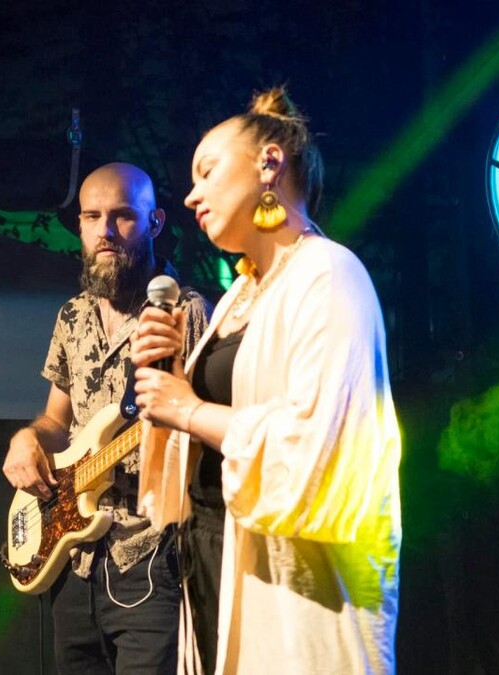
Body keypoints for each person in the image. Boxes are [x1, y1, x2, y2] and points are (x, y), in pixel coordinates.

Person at [131, 87, 401, 674]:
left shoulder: (329, 275)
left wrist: (188, 410)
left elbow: (322, 448)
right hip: (217, 562)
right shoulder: (239, 296)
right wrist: (170, 376)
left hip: (297, 590)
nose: (191, 194)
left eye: (207, 171)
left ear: (269, 163)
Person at [3, 162, 210, 674]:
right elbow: (56, 421)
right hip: (74, 561)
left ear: (154, 223)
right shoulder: (71, 315)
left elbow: (205, 425)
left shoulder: (186, 312)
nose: (105, 231)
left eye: (122, 216)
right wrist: (27, 439)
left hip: (150, 556)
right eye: (92, 217)